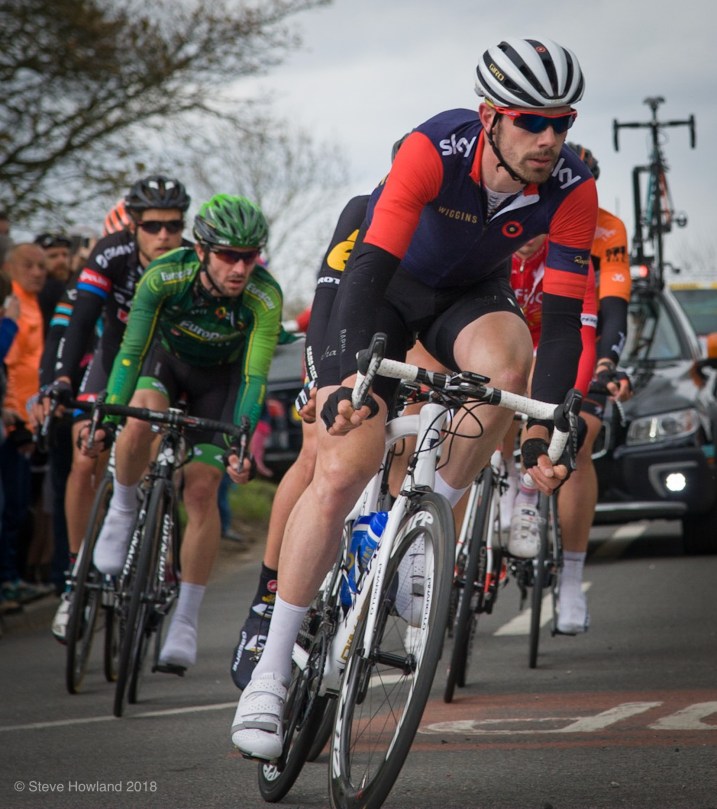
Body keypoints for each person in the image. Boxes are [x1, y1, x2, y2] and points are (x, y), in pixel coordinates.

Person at [231, 36, 598, 760]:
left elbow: (559, 325)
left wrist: (541, 433)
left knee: (506, 366)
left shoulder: (571, 188)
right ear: (490, 116)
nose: (548, 138)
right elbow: (368, 269)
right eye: (531, 121)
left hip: (466, 296)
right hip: (376, 284)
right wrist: (345, 380)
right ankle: (269, 673)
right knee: (342, 465)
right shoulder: (435, 148)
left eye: (562, 122)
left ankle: (420, 537)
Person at [86, 194, 283, 673]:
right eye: (228, 255)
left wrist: (241, 441)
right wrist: (107, 420)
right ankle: (123, 509)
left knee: (201, 489)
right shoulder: (165, 276)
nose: (241, 268)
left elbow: (255, 376)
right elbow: (131, 352)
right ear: (201, 250)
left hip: (221, 381)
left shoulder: (264, 295)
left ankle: (186, 620)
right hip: (165, 365)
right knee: (139, 419)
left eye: (250, 256)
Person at [37, 175, 191, 641]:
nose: (163, 235)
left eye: (173, 225)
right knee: (85, 454)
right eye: (152, 226)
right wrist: (62, 380)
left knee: (159, 462)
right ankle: (75, 579)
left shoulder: (191, 260)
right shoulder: (111, 253)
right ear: (133, 226)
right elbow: (80, 321)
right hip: (114, 355)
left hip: (167, 361)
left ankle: (155, 564)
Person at [553, 142, 632, 634]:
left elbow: (614, 307)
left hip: (587, 335)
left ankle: (570, 579)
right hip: (530, 332)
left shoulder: (607, 228)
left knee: (579, 439)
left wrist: (607, 363)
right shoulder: (527, 216)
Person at [0, 243, 49, 606]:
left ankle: (14, 576)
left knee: (20, 505)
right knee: (11, 505)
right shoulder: (13, 305)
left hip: (32, 418)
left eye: (41, 266)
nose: (37, 272)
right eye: (28, 265)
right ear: (9, 268)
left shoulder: (35, 303)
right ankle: (8, 578)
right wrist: (12, 415)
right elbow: (10, 367)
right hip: (13, 420)